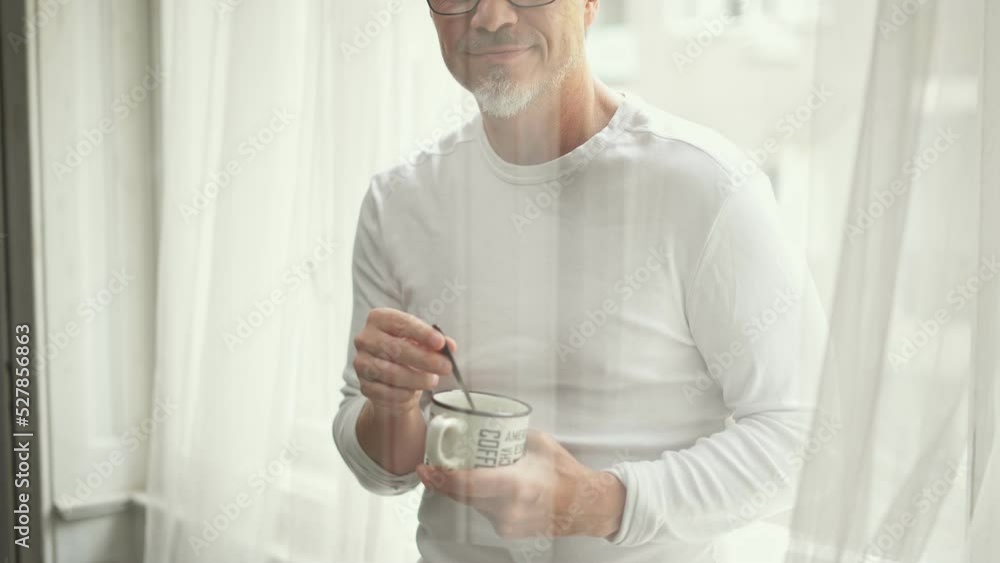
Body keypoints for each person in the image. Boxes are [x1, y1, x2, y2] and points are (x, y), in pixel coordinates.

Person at [333, 0, 827, 561]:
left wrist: (596, 501)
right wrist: (392, 408)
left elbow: (808, 435)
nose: (490, 17)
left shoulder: (707, 186)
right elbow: (381, 467)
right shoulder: (398, 202)